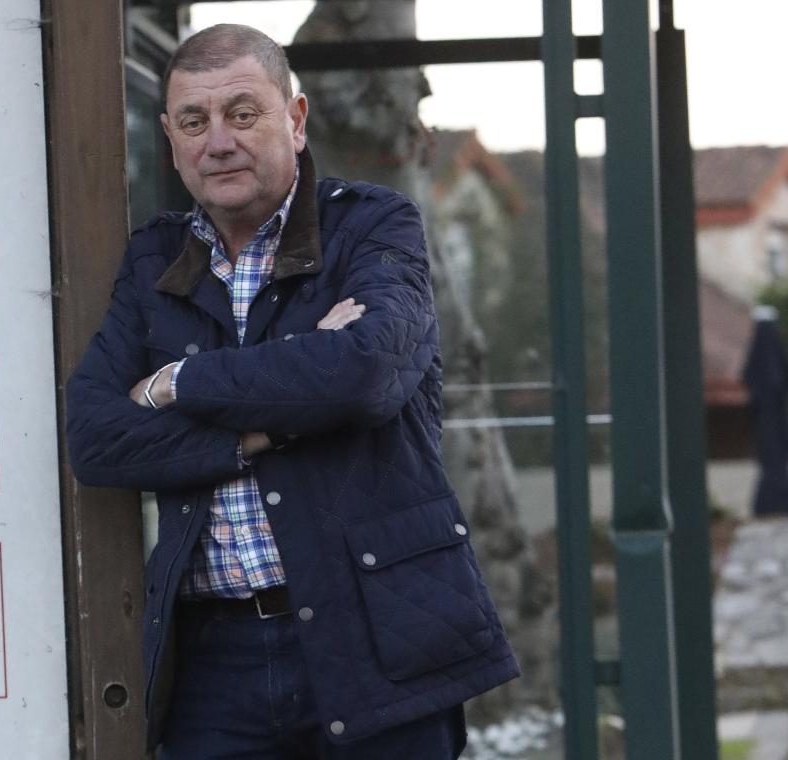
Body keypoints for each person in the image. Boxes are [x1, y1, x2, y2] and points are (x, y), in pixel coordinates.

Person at [66, 23, 519, 758]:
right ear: (171, 137)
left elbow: (365, 374)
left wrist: (178, 382)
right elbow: (95, 439)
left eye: (242, 113)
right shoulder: (156, 257)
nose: (218, 141)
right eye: (194, 121)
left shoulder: (371, 225)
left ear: (296, 119)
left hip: (378, 633)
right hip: (214, 662)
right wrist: (269, 423)